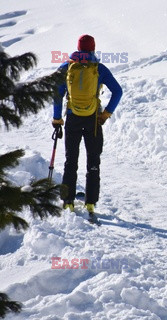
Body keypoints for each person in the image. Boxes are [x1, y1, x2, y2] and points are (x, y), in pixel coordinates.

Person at [51, 34, 122, 217]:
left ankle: (68, 202)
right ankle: (90, 203)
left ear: (78, 48)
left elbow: (57, 94)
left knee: (70, 161)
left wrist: (57, 119)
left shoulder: (67, 67)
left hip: (73, 118)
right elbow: (118, 91)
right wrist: (106, 113)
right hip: (93, 120)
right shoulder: (99, 68)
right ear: (92, 49)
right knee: (93, 161)